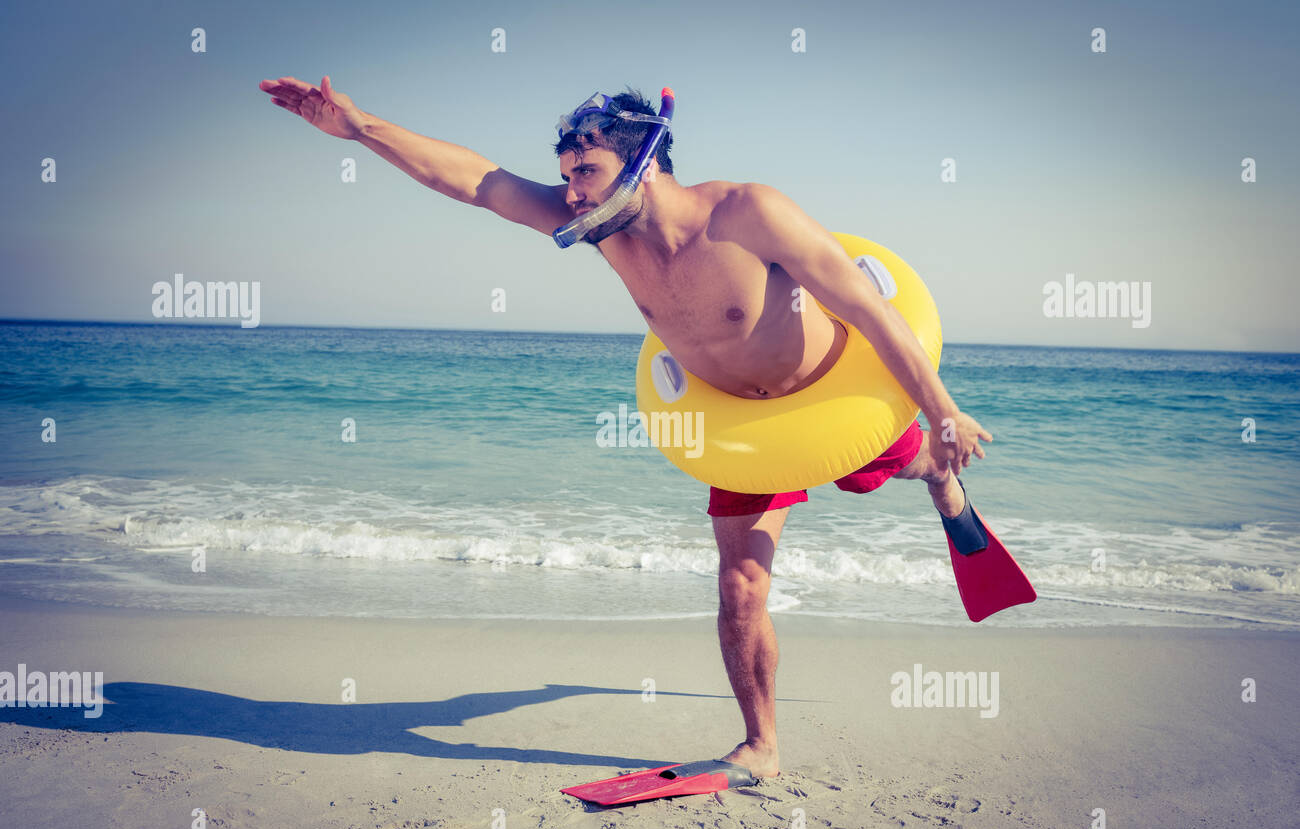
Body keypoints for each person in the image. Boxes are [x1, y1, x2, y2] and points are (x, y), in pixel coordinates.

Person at [258, 76, 993, 780]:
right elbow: (475, 182)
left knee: (889, 468)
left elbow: (868, 306)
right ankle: (762, 745)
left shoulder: (747, 213)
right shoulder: (604, 230)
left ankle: (940, 480)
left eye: (587, 169)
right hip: (737, 428)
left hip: (828, 395)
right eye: (568, 172)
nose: (571, 189)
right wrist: (357, 127)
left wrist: (944, 410)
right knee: (739, 585)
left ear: (643, 158)